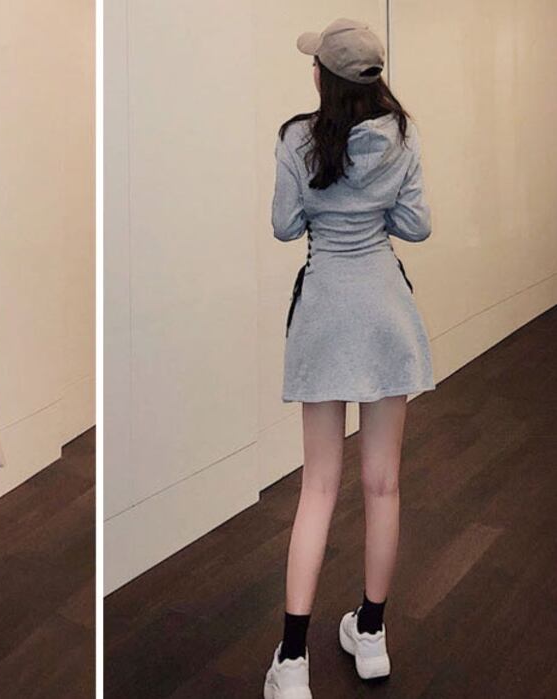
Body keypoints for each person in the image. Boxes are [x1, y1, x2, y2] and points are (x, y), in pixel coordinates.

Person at [263, 18, 434, 699]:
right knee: (383, 485)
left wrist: (327, 209)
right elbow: (417, 225)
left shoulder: (297, 140)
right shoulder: (402, 136)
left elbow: (284, 225)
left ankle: (293, 662)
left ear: (323, 80)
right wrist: (374, 207)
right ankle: (371, 634)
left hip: (325, 316)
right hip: (387, 315)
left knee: (318, 488)